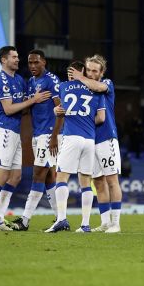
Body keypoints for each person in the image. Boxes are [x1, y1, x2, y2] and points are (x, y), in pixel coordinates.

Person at [0, 46, 50, 231]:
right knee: (2, 175)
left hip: (15, 132)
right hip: (5, 132)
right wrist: (33, 100)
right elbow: (9, 109)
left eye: (18, 56)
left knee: (16, 176)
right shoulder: (2, 81)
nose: (18, 60)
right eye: (14, 57)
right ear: (4, 60)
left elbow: (21, 107)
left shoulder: (19, 80)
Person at [45, 61, 106, 233]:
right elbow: (101, 118)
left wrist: (56, 110)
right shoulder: (96, 89)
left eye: (71, 71)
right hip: (89, 139)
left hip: (71, 137)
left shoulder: (64, 87)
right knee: (85, 183)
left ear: (78, 72)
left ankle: (62, 219)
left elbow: (61, 111)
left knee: (61, 178)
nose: (69, 73)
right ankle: (85, 225)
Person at [69, 55, 123, 233]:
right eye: (88, 69)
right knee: (98, 183)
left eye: (94, 70)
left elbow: (98, 86)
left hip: (107, 138)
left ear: (101, 73)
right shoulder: (82, 88)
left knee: (112, 180)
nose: (91, 73)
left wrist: (80, 77)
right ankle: (105, 222)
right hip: (89, 140)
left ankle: (116, 223)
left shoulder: (106, 84)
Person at [10, 50, 62, 231]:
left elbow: (60, 109)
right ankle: (60, 218)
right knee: (48, 178)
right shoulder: (31, 83)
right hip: (37, 134)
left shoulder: (52, 80)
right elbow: (25, 109)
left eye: (36, 63)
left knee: (37, 174)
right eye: (30, 63)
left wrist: (54, 136)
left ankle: (25, 220)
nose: (32, 66)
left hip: (48, 134)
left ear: (44, 62)